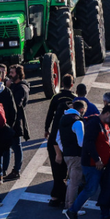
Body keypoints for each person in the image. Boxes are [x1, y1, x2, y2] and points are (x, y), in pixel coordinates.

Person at [64, 105, 110, 219]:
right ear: (107, 113)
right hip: (93, 165)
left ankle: (105, 216)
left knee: (107, 188)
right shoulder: (94, 124)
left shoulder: (104, 124)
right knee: (91, 189)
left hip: (104, 164)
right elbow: (88, 142)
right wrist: (97, 159)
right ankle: (72, 211)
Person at [44, 75, 76, 207]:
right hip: (68, 140)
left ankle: (57, 196)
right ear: (72, 84)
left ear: (62, 83)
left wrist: (46, 128)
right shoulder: (74, 99)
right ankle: (60, 195)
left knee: (56, 170)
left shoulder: (56, 98)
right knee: (64, 170)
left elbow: (49, 113)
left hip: (55, 141)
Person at [57, 100, 87, 212]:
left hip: (67, 155)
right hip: (77, 155)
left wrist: (65, 150)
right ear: (82, 109)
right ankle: (71, 207)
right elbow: (81, 143)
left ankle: (67, 205)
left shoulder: (63, 119)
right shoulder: (78, 122)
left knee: (71, 182)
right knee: (75, 182)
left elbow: (57, 138)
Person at [4, 64, 30, 181]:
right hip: (12, 120)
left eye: (12, 73)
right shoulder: (16, 86)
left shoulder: (21, 88)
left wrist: (8, 89)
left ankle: (16, 170)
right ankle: (5, 169)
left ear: (19, 74)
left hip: (16, 121)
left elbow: (16, 103)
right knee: (10, 146)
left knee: (16, 146)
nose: (10, 75)